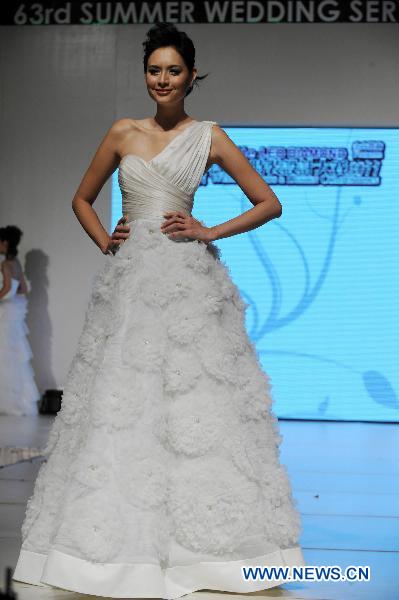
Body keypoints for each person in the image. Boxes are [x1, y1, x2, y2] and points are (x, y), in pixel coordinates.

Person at [12, 21, 305, 598]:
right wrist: (104, 240)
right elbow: (82, 196)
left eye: (174, 70)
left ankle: (205, 549)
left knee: (195, 401)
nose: (163, 79)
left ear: (191, 77)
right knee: (124, 399)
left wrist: (207, 229)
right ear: (145, 75)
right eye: (154, 70)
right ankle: (118, 548)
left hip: (189, 280)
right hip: (131, 282)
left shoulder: (210, 136)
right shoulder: (122, 131)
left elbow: (269, 201)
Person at [0, 225, 39, 416]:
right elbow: (23, 289)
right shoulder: (16, 262)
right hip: (15, 312)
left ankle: (8, 401)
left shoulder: (5, 264)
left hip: (8, 313)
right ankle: (17, 400)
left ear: (5, 242)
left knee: (6, 354)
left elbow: (7, 288)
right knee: (15, 355)